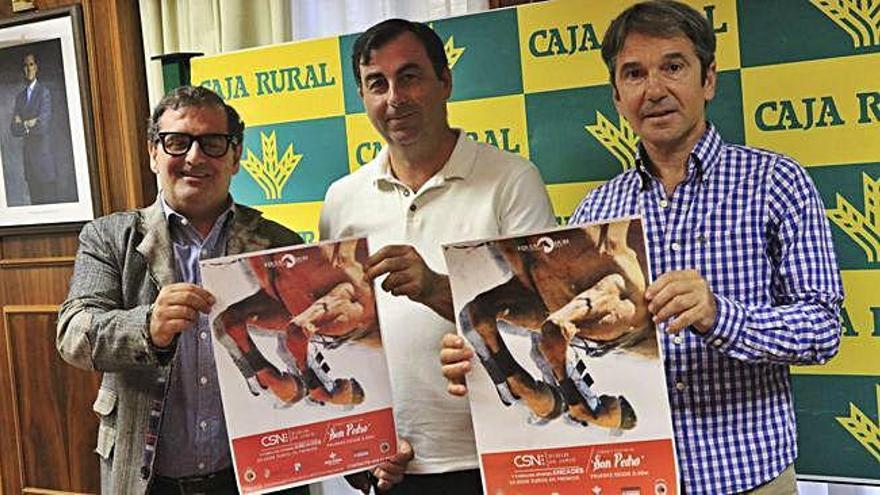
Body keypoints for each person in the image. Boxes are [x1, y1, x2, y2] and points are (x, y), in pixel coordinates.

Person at [441, 2, 844, 494]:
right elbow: (568, 325)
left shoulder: (777, 182)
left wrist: (722, 316)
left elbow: (823, 330)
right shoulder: (598, 209)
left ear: (708, 79)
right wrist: (479, 367)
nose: (654, 90)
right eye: (634, 74)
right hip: (631, 477)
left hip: (747, 477)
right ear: (617, 95)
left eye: (673, 67)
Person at [57, 85, 410, 495]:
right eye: (176, 142)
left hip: (259, 481)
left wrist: (363, 458)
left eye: (212, 143)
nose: (194, 157)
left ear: (235, 155)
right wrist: (147, 327)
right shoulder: (110, 237)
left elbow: (314, 346)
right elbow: (73, 334)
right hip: (148, 480)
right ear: (153, 152)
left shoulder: (279, 244)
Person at [319, 18, 557, 495]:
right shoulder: (342, 199)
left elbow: (549, 316)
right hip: (394, 464)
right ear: (363, 98)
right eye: (376, 84)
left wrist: (435, 287)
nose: (394, 98)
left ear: (444, 81)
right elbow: (337, 340)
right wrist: (356, 451)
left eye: (409, 76)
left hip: (501, 455)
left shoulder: (511, 180)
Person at [10, 53, 55, 204]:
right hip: (29, 161)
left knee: (47, 205)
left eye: (31, 65)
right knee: (35, 202)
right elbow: (14, 129)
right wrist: (29, 123)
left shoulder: (44, 93)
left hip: (43, 160)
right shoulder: (20, 97)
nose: (28, 69)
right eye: (25, 65)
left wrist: (23, 123)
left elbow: (43, 124)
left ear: (36, 67)